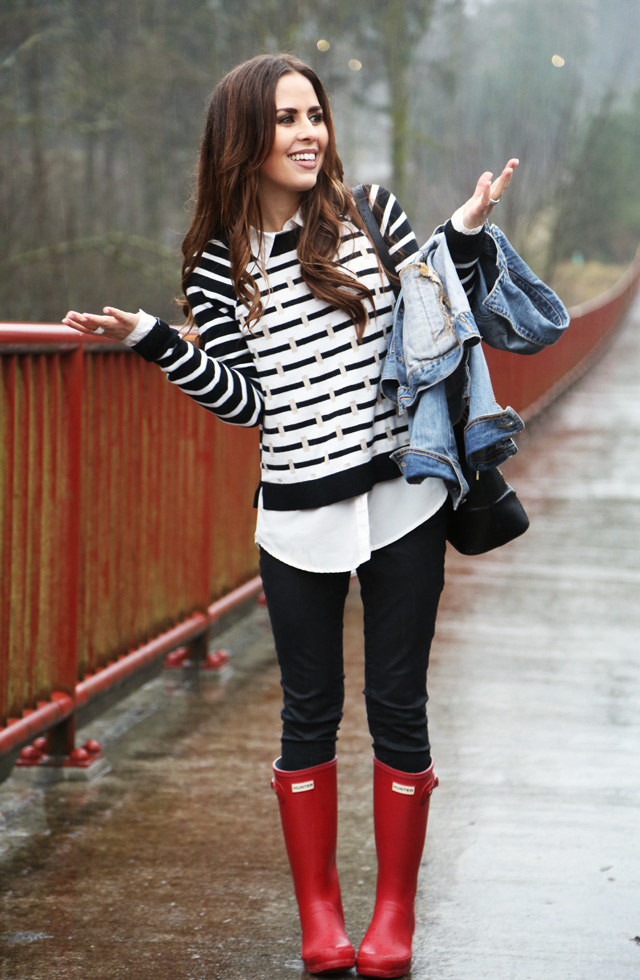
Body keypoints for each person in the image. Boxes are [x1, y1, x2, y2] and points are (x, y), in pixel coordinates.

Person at [63, 53, 518, 978]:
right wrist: (153, 339)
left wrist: (464, 233)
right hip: (297, 519)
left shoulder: (372, 214)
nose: (309, 131)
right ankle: (322, 916)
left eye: (315, 113)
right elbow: (244, 401)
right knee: (307, 712)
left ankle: (394, 915)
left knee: (399, 704)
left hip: (403, 500)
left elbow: (437, 306)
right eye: (286, 118)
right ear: (245, 138)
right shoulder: (214, 263)